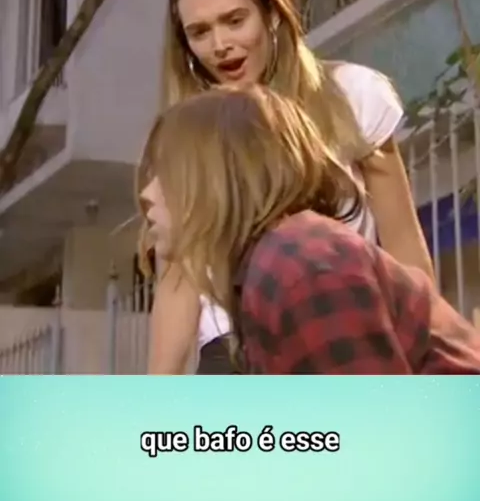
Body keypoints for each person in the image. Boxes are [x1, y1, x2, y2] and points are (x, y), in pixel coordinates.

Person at [140, 0, 434, 374]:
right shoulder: (187, 142)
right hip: (231, 361)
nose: (220, 44)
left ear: (272, 12)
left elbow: (406, 248)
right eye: (200, 32)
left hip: (340, 340)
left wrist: (429, 373)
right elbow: (178, 285)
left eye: (234, 20)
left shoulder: (352, 96)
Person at [138, 86, 480, 374]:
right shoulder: (275, 264)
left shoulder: (298, 265)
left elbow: (368, 425)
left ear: (219, 179)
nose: (146, 194)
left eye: (165, 172)